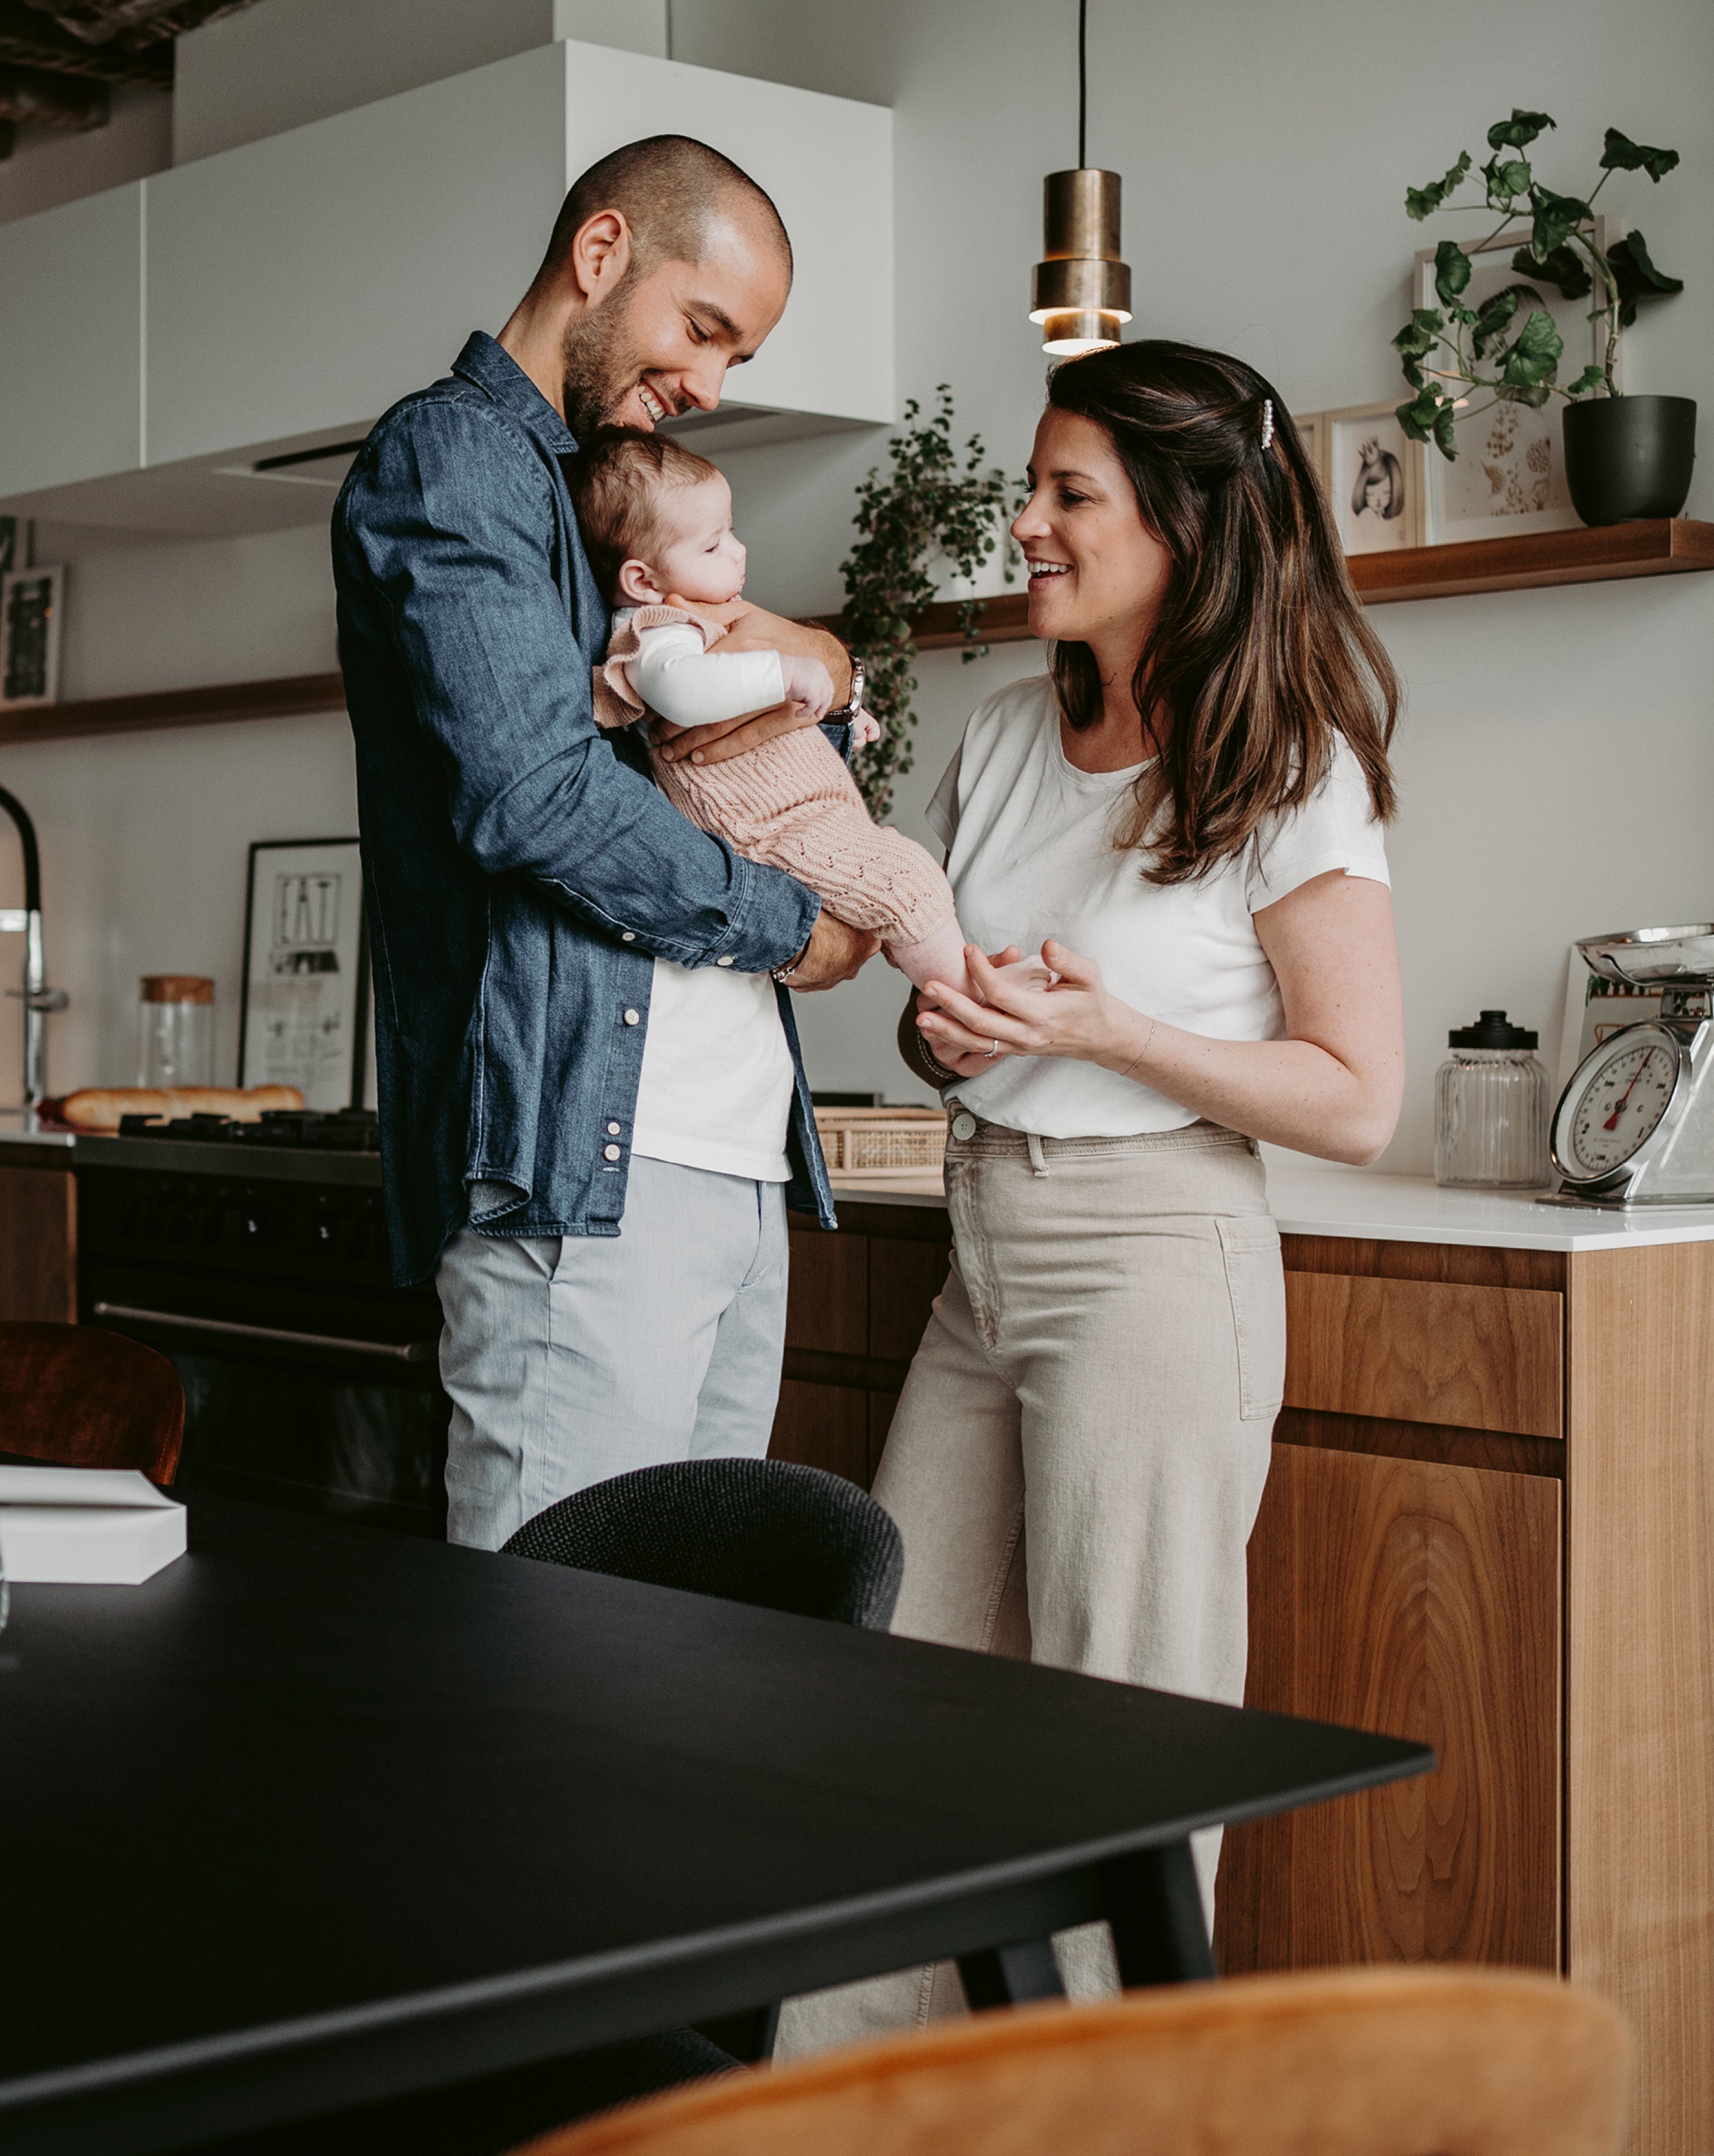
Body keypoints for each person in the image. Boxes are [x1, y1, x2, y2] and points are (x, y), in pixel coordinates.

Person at [778, 339, 1405, 2049]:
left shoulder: (1290, 762)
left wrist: (1106, 1028)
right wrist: (951, 1033)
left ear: (1186, 530)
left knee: (1118, 1743)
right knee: (899, 1707)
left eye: (1069, 495)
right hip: (984, 1252)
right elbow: (954, 1018)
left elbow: (1356, 1098)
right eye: (1032, 485)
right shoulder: (1004, 733)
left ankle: (1111, 2110)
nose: (1027, 523)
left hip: (1152, 1260)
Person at [332, 135, 880, 1553]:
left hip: (723, 1151)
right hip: (581, 1159)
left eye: (733, 355)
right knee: (547, 1677)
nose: (710, 383)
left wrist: (823, 654)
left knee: (687, 1676)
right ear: (598, 256)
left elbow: (741, 712)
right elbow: (532, 796)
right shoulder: (453, 459)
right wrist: (789, 922)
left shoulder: (608, 498)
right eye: (701, 329)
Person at [576, 426, 969, 993]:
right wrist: (784, 672)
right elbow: (681, 690)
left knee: (901, 886)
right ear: (642, 580)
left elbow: (769, 714)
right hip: (766, 829)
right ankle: (969, 1005)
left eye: (730, 532)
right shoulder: (657, 632)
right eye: (712, 546)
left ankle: (967, 992)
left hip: (806, 811)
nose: (738, 551)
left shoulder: (712, 620)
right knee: (907, 881)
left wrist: (835, 716)